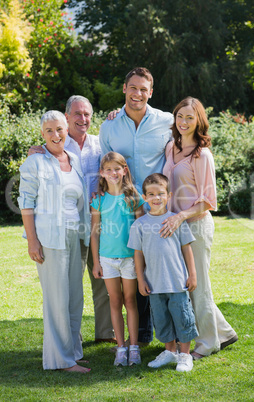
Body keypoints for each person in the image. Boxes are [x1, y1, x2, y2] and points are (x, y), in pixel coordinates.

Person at [28, 95, 115, 343]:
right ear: (66, 118)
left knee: (103, 282)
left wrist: (117, 114)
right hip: (68, 227)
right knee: (68, 286)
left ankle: (105, 335)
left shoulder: (100, 144)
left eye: (87, 114)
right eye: (77, 114)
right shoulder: (51, 147)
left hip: (99, 224)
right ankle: (70, 340)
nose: (83, 119)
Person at [99, 67, 174, 345]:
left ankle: (174, 333)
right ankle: (141, 335)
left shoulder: (167, 121)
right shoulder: (109, 126)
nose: (138, 94)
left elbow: (189, 138)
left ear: (151, 92)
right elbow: (104, 166)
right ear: (124, 89)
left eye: (144, 89)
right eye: (133, 88)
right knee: (135, 265)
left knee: (162, 268)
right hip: (124, 209)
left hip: (156, 209)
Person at [161, 96, 238, 360]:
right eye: (180, 116)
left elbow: (207, 201)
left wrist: (180, 215)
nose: (183, 122)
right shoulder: (171, 146)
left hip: (195, 225)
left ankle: (207, 344)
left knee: (198, 286)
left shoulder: (202, 155)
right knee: (190, 284)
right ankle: (224, 332)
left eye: (190, 117)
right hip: (176, 226)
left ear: (199, 121)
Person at [18, 111, 91, 373]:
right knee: (57, 299)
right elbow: (25, 203)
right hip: (50, 239)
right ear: (42, 134)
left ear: (66, 129)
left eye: (59, 129)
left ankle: (71, 353)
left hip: (76, 236)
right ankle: (60, 361)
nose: (55, 135)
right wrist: (32, 241)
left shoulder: (74, 160)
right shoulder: (35, 163)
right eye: (49, 130)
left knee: (74, 297)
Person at [128, 173, 198, 372]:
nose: (156, 198)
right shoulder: (139, 225)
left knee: (182, 317)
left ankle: (185, 355)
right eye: (151, 194)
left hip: (177, 282)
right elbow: (138, 255)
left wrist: (192, 274)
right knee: (162, 319)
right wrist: (141, 279)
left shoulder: (175, 221)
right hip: (154, 284)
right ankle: (170, 352)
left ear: (169, 195)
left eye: (160, 194)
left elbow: (187, 248)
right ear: (144, 197)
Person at [91, 152, 144, 366]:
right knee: (115, 301)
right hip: (107, 259)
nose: (113, 173)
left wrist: (141, 262)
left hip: (130, 258)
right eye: (109, 169)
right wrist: (96, 261)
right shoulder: (99, 200)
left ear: (125, 171)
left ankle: (134, 346)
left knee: (130, 301)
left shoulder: (134, 198)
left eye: (117, 169)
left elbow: (141, 232)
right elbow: (94, 233)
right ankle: (120, 347)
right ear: (102, 173)